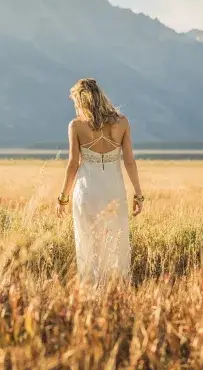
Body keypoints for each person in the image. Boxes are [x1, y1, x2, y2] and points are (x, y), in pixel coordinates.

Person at [57, 78, 144, 286]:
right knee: (116, 240)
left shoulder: (76, 126)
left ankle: (93, 289)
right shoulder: (122, 122)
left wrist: (63, 197)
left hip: (87, 192)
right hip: (114, 191)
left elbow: (73, 164)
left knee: (89, 241)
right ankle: (116, 289)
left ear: (81, 101)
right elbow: (130, 162)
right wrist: (138, 194)